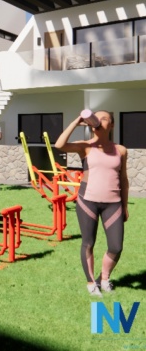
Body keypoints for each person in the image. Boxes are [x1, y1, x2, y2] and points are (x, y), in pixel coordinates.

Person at [56, 110, 129, 296]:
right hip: (87, 202)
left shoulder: (121, 150)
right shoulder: (86, 146)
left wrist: (125, 206)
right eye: (96, 118)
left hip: (113, 204)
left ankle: (104, 278)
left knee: (116, 246)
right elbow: (59, 145)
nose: (99, 121)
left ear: (112, 125)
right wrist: (76, 121)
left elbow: (123, 179)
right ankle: (91, 283)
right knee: (88, 243)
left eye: (104, 118)